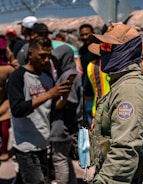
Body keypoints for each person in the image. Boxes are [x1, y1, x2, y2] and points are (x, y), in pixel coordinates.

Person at [87, 22, 143, 183]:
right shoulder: (122, 84)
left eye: (107, 47)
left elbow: (125, 150)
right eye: (102, 47)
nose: (102, 52)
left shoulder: (130, 90)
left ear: (127, 51)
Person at [7, 36, 71, 183]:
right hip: (25, 145)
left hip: (43, 142)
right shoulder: (18, 77)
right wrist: (49, 94)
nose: (46, 60)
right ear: (30, 54)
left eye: (49, 56)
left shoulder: (46, 77)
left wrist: (64, 97)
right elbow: (18, 109)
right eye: (42, 56)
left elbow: (55, 107)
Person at [50, 44, 82, 184]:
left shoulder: (69, 75)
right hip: (65, 123)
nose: (54, 63)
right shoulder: (67, 73)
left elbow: (69, 101)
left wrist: (56, 102)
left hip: (62, 124)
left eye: (57, 59)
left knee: (59, 160)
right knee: (64, 158)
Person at [0, 37, 19, 162]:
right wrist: (12, 58)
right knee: (4, 128)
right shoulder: (7, 69)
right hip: (4, 103)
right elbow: (19, 72)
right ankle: (5, 152)